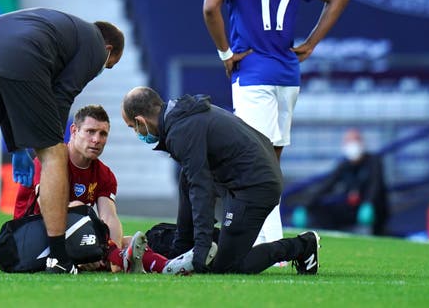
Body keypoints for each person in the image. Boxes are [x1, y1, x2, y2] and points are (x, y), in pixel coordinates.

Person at [202, 0, 350, 244]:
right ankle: (271, 239)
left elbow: (210, 7)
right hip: (288, 75)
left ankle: (259, 242)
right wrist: (310, 44)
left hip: (253, 75)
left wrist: (225, 52)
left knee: (252, 162)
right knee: (271, 162)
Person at [0, 7, 124, 274]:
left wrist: (16, 146)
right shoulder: (95, 44)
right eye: (108, 65)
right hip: (22, 55)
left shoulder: (64, 30)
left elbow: (6, 92)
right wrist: (47, 144)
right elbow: (63, 95)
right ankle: (57, 257)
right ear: (108, 48)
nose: (100, 70)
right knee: (54, 153)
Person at [121, 86, 321, 275]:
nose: (137, 132)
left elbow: (202, 190)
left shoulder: (181, 130)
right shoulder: (182, 117)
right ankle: (184, 244)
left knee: (227, 267)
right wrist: (183, 247)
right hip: (244, 179)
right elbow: (194, 183)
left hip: (255, 187)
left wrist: (202, 247)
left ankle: (303, 245)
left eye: (133, 127)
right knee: (187, 176)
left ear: (141, 121)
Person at [13, 104, 193, 274]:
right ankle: (117, 257)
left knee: (127, 242)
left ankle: (165, 267)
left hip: (72, 238)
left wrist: (106, 247)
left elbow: (109, 217)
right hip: (29, 241)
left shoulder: (104, 174)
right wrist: (91, 243)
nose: (96, 140)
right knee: (77, 208)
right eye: (90, 132)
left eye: (103, 134)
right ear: (74, 131)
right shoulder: (50, 162)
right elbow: (46, 209)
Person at [292, 128, 390, 235]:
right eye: (348, 142)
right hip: (352, 208)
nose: (352, 145)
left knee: (375, 210)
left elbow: (375, 186)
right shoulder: (344, 165)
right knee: (321, 210)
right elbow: (327, 185)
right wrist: (305, 205)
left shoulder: (374, 161)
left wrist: (368, 203)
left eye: (355, 141)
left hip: (373, 209)